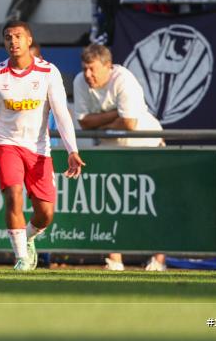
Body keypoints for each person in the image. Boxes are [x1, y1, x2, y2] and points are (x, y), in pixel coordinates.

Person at [0, 21, 85, 271]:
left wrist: (72, 150)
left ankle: (27, 237)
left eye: (18, 36)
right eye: (8, 37)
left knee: (45, 213)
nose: (13, 41)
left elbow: (62, 113)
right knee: (13, 194)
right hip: (7, 143)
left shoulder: (48, 72)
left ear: (29, 40)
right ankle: (21, 259)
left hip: (39, 149)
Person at [73, 44, 166, 272]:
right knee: (107, 205)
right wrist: (116, 114)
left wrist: (100, 123)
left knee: (156, 205)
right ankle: (114, 260)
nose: (87, 74)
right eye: (84, 69)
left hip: (147, 145)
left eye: (92, 69)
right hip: (110, 149)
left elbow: (130, 124)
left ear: (108, 67)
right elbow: (84, 122)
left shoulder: (124, 79)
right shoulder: (79, 81)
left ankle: (159, 261)